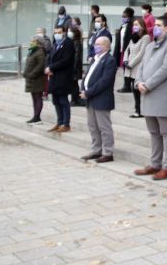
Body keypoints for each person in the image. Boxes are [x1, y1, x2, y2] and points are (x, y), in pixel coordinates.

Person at [134, 17, 167, 180]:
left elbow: (166, 69)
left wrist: (148, 84)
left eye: (159, 25)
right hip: (147, 94)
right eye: (154, 25)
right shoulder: (149, 47)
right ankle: (155, 164)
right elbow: (140, 67)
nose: (155, 28)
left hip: (162, 95)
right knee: (154, 132)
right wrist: (139, 81)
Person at [80, 36, 117, 164]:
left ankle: (107, 152)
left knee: (104, 127)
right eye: (95, 44)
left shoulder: (109, 60)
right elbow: (87, 76)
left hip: (101, 99)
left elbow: (104, 81)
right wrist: (83, 88)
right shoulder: (94, 59)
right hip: (90, 98)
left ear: (106, 46)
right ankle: (96, 150)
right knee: (93, 126)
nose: (96, 46)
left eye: (99, 44)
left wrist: (88, 92)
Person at [45, 25, 75, 133]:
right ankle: (59, 122)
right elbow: (50, 57)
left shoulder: (68, 43)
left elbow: (66, 60)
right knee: (55, 100)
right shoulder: (55, 43)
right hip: (54, 76)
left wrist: (51, 67)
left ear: (64, 32)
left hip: (63, 77)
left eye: (59, 32)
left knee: (63, 100)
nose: (57, 34)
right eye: (55, 32)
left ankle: (66, 124)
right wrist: (48, 67)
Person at [125, 17, 151, 118]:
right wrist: (125, 61)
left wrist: (131, 63)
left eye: (137, 24)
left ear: (142, 26)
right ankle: (137, 110)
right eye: (134, 25)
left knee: (138, 89)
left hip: (138, 67)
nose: (134, 26)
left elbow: (141, 53)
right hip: (130, 67)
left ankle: (140, 110)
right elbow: (128, 49)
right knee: (134, 89)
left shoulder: (146, 37)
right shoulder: (134, 37)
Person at [24, 36, 46, 124]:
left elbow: (40, 65)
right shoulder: (32, 51)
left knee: (38, 97)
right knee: (34, 98)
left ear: (38, 42)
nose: (32, 42)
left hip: (37, 79)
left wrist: (32, 74)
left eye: (34, 41)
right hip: (30, 79)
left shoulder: (40, 52)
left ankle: (37, 116)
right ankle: (35, 115)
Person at [115, 7, 135, 93]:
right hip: (122, 49)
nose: (123, 18)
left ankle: (127, 86)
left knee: (127, 68)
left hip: (128, 50)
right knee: (124, 68)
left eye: (125, 16)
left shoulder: (131, 25)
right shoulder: (123, 26)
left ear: (129, 17)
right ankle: (126, 85)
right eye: (122, 16)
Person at [68, 21, 85, 106]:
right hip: (73, 67)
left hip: (75, 68)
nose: (68, 33)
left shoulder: (77, 43)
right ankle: (75, 99)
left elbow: (76, 56)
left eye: (70, 31)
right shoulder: (73, 42)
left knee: (74, 84)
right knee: (73, 84)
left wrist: (73, 67)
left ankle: (75, 100)